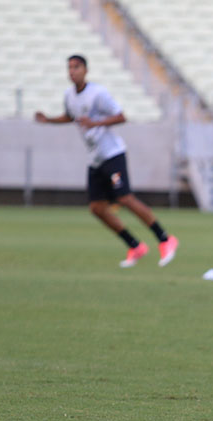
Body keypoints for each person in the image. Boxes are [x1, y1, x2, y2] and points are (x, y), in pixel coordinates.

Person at [35, 55, 178, 268]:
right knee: (96, 208)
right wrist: (48, 120)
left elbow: (121, 116)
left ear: (86, 70)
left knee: (125, 198)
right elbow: (70, 116)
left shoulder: (98, 93)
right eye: (70, 68)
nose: (72, 71)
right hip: (95, 159)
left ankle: (165, 239)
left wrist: (96, 123)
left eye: (76, 67)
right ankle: (135, 245)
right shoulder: (69, 95)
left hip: (112, 154)